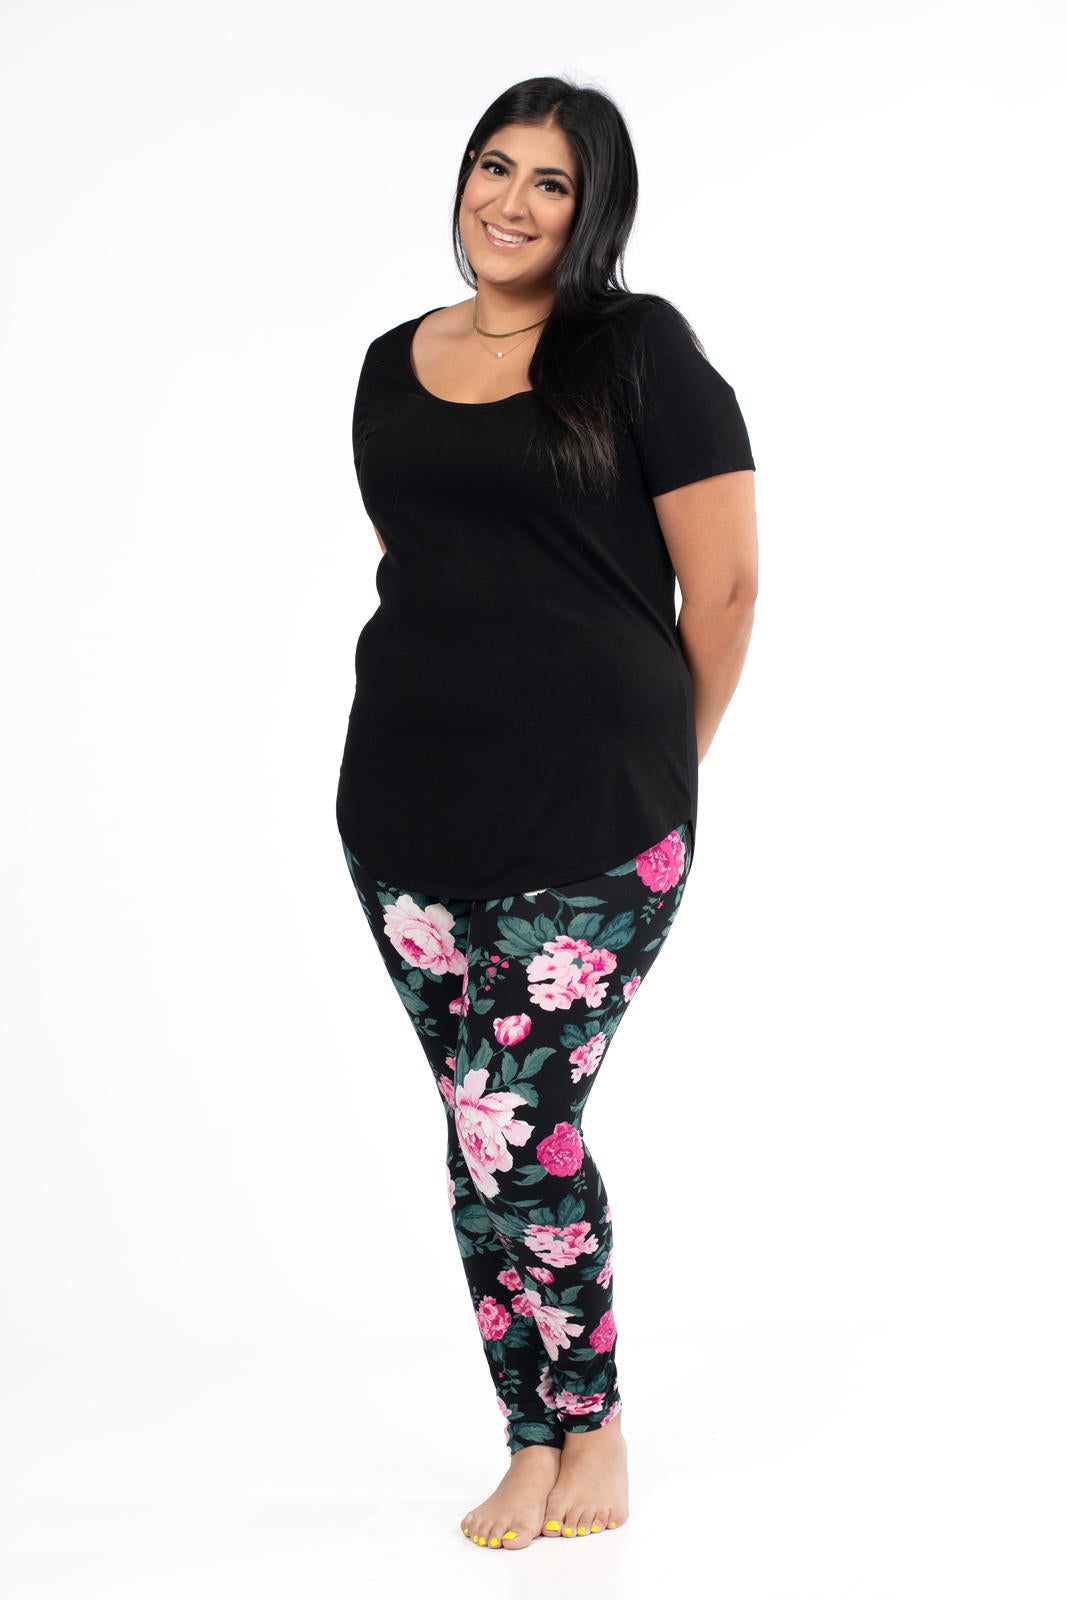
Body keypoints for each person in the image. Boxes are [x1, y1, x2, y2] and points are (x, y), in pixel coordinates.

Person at [335, 75, 758, 1552]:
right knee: (478, 1127)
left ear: (594, 210)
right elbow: (427, 563)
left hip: (595, 809)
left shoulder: (637, 352)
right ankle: (530, 1433)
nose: (509, 202)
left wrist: (666, 767)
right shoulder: (392, 363)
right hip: (403, 804)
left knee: (517, 1123)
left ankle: (596, 1422)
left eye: (551, 182)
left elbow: (726, 586)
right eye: (492, 166)